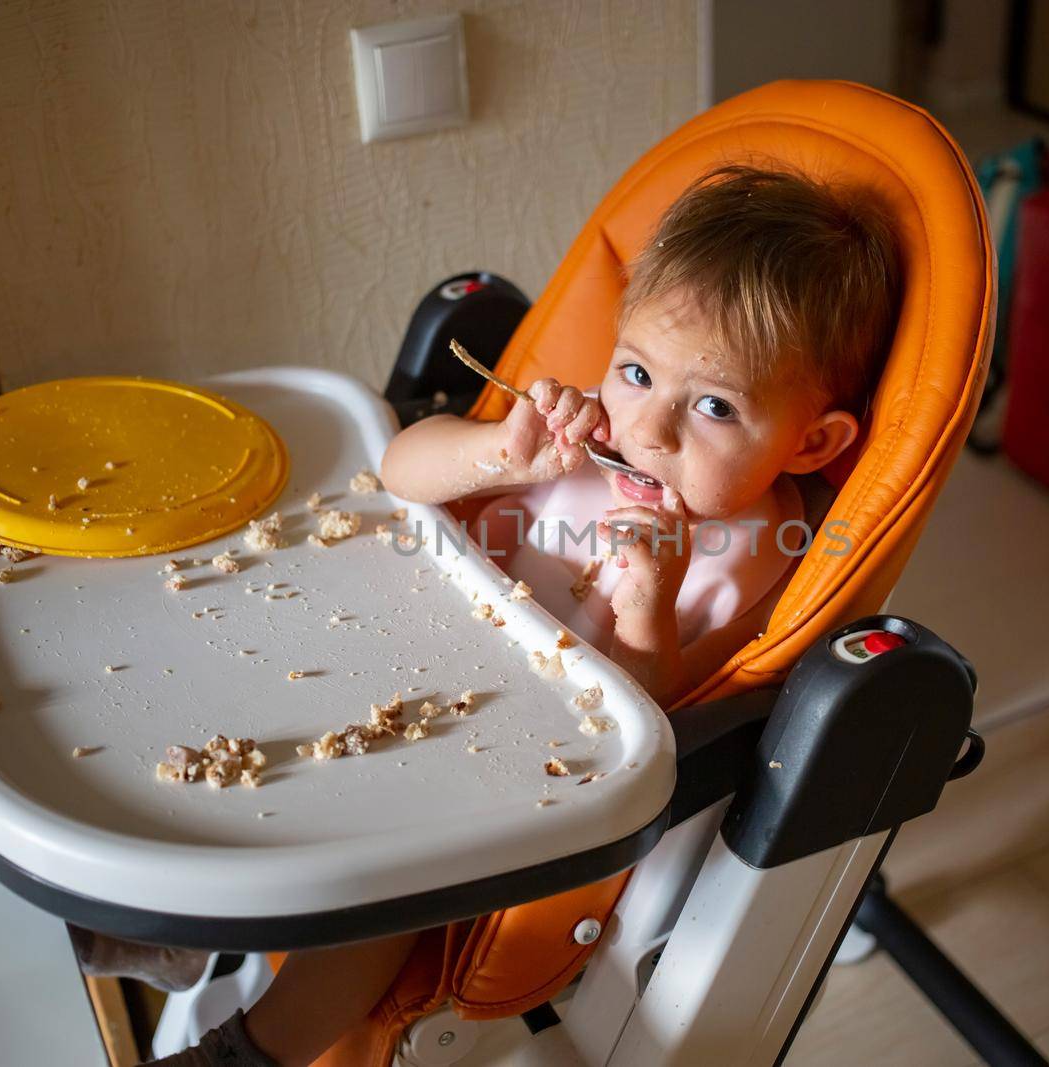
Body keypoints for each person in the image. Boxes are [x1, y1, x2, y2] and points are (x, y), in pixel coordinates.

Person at [145, 163, 899, 1066]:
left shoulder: (758, 556)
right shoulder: (575, 443)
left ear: (811, 441)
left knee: (397, 885)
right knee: (224, 676)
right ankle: (164, 913)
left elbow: (650, 717)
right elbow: (401, 471)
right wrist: (499, 454)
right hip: (395, 667)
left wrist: (650, 602)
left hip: (506, 776)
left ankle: (249, 1052)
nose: (648, 429)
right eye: (636, 371)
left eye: (714, 406)